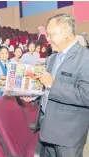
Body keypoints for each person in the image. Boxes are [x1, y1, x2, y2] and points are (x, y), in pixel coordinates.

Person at [23, 14, 89, 157]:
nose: (47, 38)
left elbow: (86, 96)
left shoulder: (85, 58)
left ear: (65, 32)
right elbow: (46, 89)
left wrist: (53, 84)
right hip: (46, 129)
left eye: (51, 33)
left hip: (68, 136)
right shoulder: (52, 58)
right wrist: (32, 96)